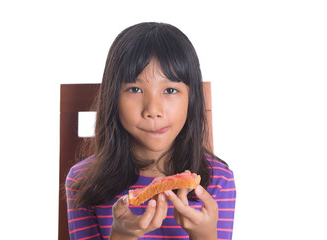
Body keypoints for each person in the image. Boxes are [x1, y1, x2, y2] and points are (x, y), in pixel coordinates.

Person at [66, 22, 236, 240]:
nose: (153, 110)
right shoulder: (84, 180)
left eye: (170, 90)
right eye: (135, 89)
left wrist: (205, 236)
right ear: (113, 97)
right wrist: (121, 235)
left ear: (191, 99)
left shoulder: (218, 179)